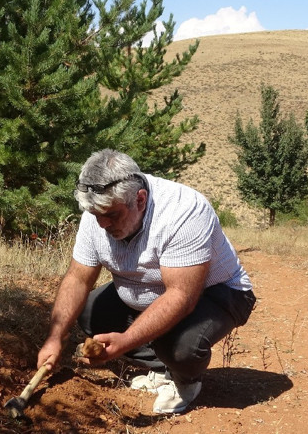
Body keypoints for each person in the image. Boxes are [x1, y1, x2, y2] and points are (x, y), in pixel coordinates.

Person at [37, 149, 256, 414]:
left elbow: (181, 297)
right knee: (89, 311)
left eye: (112, 215)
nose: (103, 224)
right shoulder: (98, 213)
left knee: (179, 346)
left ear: (140, 200)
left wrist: (126, 341)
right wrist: (55, 337)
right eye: (97, 215)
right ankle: (163, 367)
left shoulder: (184, 212)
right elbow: (78, 278)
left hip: (218, 293)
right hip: (152, 290)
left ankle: (185, 379)